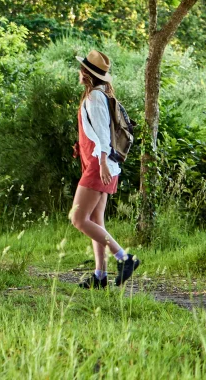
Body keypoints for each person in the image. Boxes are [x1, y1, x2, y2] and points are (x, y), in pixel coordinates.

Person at [70, 49, 139, 288]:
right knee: (96, 220)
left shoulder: (95, 98)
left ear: (88, 75)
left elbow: (101, 135)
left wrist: (99, 163)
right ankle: (100, 277)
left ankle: (125, 258)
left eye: (82, 69)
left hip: (100, 165)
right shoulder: (100, 95)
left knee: (78, 218)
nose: (79, 72)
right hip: (103, 164)